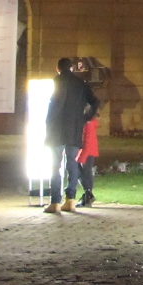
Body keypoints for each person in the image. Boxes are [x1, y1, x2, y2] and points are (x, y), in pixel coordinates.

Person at [42, 56, 95, 214]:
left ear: (58, 69)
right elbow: (94, 101)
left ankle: (54, 202)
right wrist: (84, 118)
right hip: (74, 130)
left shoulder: (56, 81)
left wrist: (48, 123)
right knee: (72, 164)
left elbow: (54, 105)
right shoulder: (80, 83)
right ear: (71, 68)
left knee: (55, 166)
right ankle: (70, 199)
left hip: (57, 130)